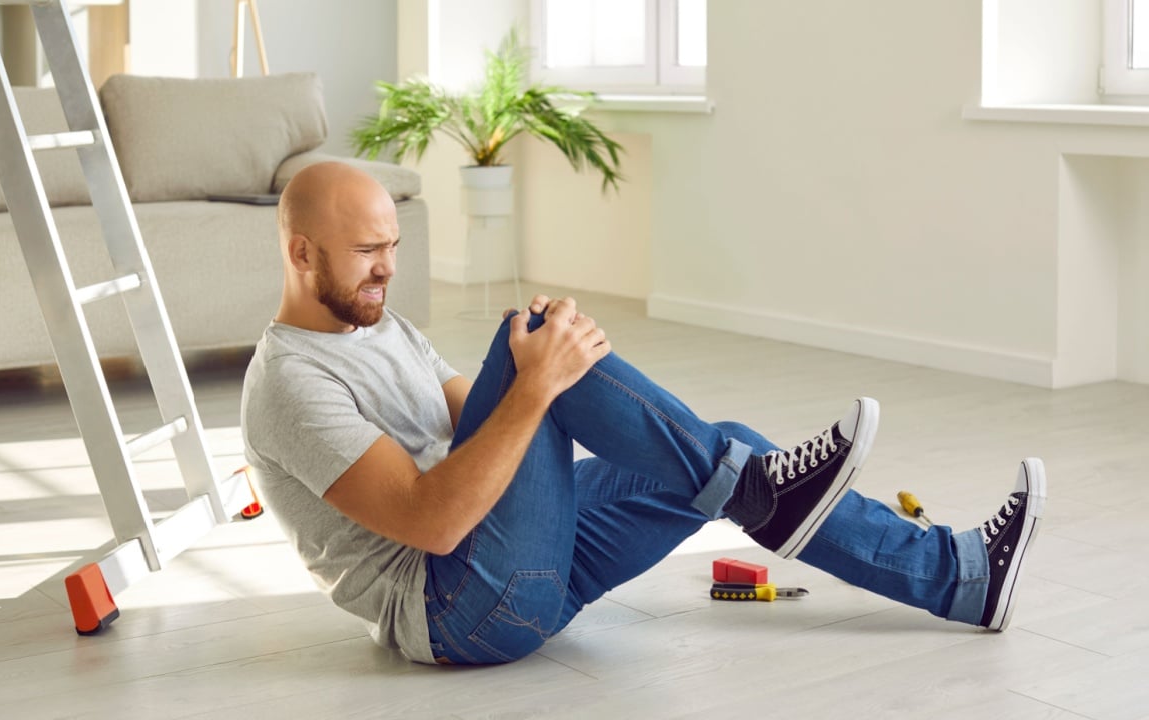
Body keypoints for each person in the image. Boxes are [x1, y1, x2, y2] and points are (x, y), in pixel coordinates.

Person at [240, 162, 1046, 666]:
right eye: (365, 252)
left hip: (519, 565)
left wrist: (559, 372)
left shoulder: (386, 330)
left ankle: (964, 578)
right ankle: (761, 493)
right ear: (301, 252)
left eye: (393, 247)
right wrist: (542, 375)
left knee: (727, 452)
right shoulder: (290, 384)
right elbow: (434, 522)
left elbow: (481, 425)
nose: (385, 268)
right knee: (532, 353)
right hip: (459, 611)